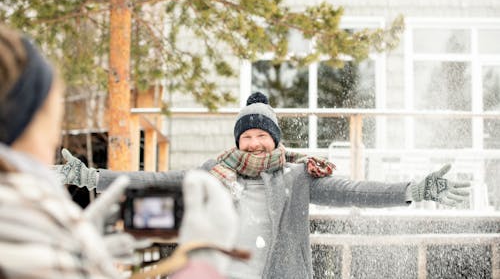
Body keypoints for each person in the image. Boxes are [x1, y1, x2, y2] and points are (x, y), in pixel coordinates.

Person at [57, 91, 471, 279]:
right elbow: (159, 181)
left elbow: (354, 191)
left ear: (274, 138)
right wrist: (92, 178)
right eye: (246, 136)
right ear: (237, 141)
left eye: (261, 135)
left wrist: (415, 189)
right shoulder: (214, 172)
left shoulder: (298, 175)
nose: (254, 142)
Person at [0, 24, 239, 279]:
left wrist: (80, 248)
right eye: (53, 121)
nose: (55, 138)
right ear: (26, 121)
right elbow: (155, 180)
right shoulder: (25, 223)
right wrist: (202, 268)